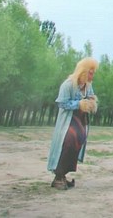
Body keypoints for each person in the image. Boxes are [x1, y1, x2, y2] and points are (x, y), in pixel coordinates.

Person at [47, 57, 99, 190]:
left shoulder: (88, 86)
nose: (92, 76)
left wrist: (92, 102)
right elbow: (61, 103)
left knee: (77, 143)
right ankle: (58, 176)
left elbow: (91, 96)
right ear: (83, 71)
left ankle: (63, 175)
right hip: (68, 122)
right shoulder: (68, 85)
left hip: (80, 121)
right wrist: (78, 104)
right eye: (90, 73)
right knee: (67, 143)